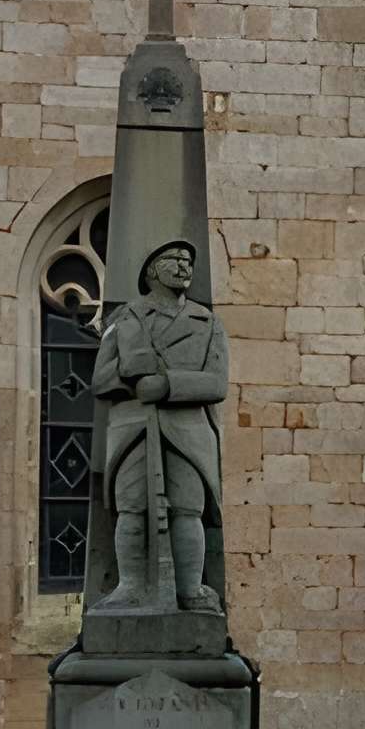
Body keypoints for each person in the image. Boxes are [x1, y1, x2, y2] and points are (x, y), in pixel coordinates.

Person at [91, 238, 226, 613]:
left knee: (188, 508)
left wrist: (167, 385)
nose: (184, 267)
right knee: (131, 506)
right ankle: (130, 585)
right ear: (152, 271)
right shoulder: (125, 321)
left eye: (188, 260)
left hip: (189, 430)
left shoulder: (207, 323)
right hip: (134, 427)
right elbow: (101, 380)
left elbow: (217, 383)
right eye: (173, 259)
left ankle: (190, 589)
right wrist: (131, 381)